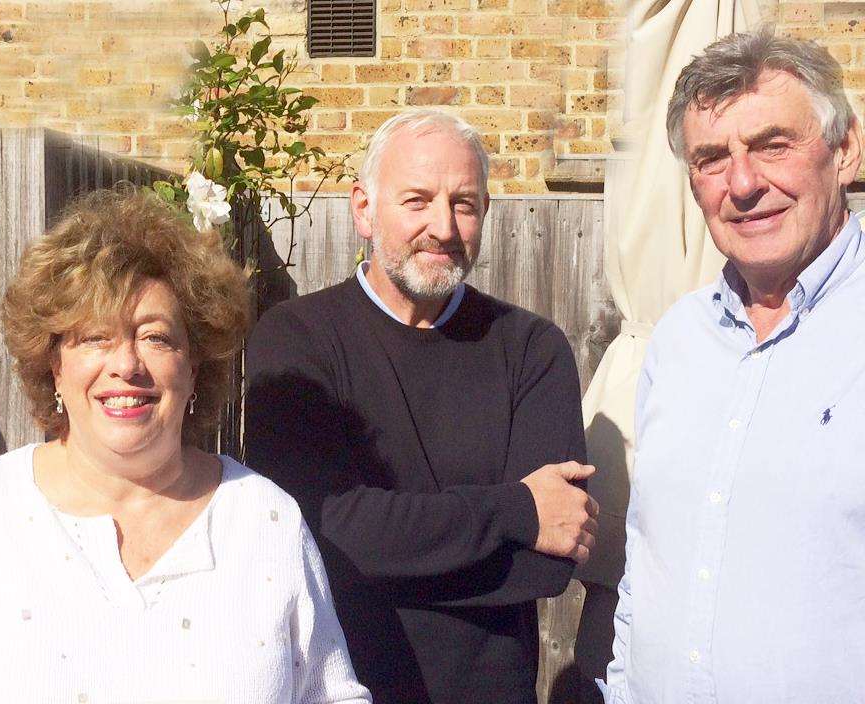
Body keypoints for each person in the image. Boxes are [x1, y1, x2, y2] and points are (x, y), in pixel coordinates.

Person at [0, 189, 370, 703]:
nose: (126, 365)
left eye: (156, 337)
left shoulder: (264, 521)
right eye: (96, 336)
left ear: (194, 367)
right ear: (54, 364)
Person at [244, 108, 599, 704]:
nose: (443, 226)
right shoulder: (297, 340)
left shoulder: (531, 349)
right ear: (364, 209)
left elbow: (547, 567)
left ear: (485, 212)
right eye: (417, 200)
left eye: (463, 203)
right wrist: (516, 512)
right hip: (334, 686)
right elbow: (318, 536)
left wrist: (382, 545)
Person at [603, 30, 865, 703]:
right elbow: (648, 568)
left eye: (773, 145)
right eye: (712, 158)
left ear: (846, 150)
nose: (743, 184)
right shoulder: (678, 341)